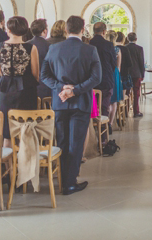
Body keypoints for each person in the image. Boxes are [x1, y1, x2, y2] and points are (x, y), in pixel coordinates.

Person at [41, 15, 101, 195]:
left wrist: (61, 88)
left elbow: (44, 76)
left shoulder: (53, 49)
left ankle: (62, 179)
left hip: (60, 102)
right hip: (80, 102)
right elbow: (96, 78)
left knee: (62, 141)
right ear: (83, 29)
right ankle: (70, 182)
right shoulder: (90, 50)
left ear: (66, 30)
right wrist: (75, 90)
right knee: (75, 142)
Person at [0, 16, 39, 146]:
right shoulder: (31, 48)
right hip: (26, 88)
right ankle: (25, 162)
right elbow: (36, 73)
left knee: (7, 129)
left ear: (8, 29)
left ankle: (7, 163)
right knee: (26, 127)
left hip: (5, 88)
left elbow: (0, 71)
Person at [89, 22, 117, 123]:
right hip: (106, 79)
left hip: (90, 80)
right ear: (104, 31)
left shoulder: (88, 44)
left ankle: (93, 126)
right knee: (104, 106)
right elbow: (113, 63)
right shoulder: (108, 45)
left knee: (92, 106)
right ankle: (104, 132)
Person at [27, 18, 52, 99]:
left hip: (29, 83)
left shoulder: (26, 45)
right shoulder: (50, 46)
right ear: (45, 31)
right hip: (46, 84)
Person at [126, 32, 145, 117]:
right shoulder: (139, 48)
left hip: (127, 73)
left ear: (127, 39)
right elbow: (141, 62)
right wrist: (142, 74)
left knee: (126, 92)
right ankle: (136, 111)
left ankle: (125, 111)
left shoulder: (125, 48)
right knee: (136, 93)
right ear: (136, 39)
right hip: (137, 73)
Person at [107, 30, 122, 130]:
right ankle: (110, 124)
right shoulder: (117, 50)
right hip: (115, 73)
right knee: (114, 101)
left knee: (107, 101)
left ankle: (105, 121)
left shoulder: (105, 48)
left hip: (107, 73)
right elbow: (118, 66)